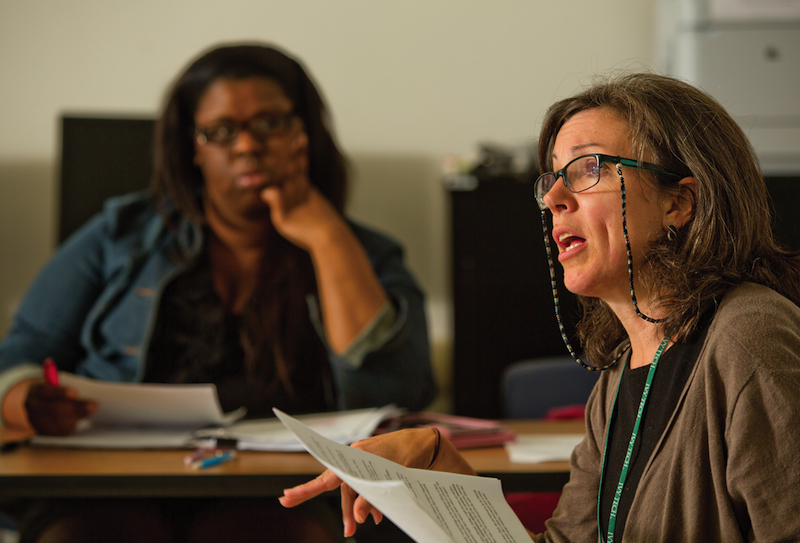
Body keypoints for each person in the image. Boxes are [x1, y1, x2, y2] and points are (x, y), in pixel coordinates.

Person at [280, 72, 800, 542]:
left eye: (586, 168)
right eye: (551, 178)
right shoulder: (622, 373)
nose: (553, 197)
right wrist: (438, 467)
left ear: (679, 202)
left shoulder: (748, 336)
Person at [0, 42, 435, 542]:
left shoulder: (366, 252)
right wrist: (26, 400)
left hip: (281, 494)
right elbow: (21, 352)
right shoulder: (120, 234)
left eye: (270, 123)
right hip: (117, 486)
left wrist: (325, 235)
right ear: (193, 145)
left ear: (304, 135)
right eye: (222, 131)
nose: (247, 146)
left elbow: (401, 392)